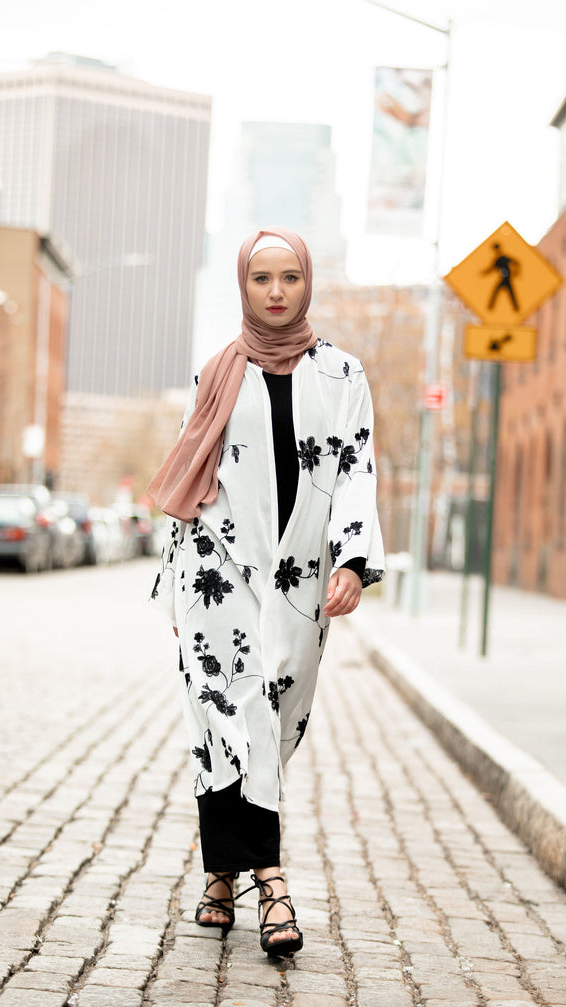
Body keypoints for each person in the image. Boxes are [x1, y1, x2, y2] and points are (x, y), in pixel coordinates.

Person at [148, 227, 385, 958]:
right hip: (216, 570)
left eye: (288, 277)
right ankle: (272, 882)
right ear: (243, 287)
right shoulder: (216, 371)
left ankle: (220, 873)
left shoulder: (344, 377)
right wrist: (176, 594)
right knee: (228, 714)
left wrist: (351, 560)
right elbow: (194, 481)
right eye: (261, 279)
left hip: (300, 581)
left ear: (306, 284)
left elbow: (355, 471)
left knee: (275, 722)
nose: (276, 291)